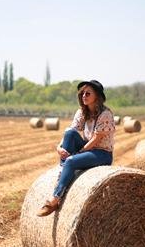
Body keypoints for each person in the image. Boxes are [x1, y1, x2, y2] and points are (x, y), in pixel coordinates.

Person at [37, 80, 115, 217]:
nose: (84, 95)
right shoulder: (82, 112)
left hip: (102, 153)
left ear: (97, 96)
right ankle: (63, 172)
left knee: (71, 161)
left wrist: (78, 154)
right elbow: (72, 131)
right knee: (69, 133)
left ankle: (55, 199)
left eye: (88, 93)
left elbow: (96, 139)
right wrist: (59, 147)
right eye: (82, 93)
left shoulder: (105, 114)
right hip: (88, 148)